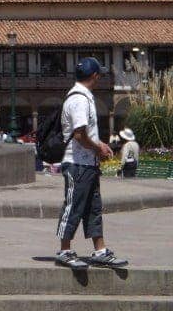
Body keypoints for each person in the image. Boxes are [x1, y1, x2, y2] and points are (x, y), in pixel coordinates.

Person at [55, 57, 128, 268]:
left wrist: (99, 146)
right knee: (73, 207)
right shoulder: (79, 99)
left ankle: (100, 250)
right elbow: (79, 135)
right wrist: (99, 148)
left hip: (87, 164)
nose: (100, 78)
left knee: (93, 208)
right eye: (99, 75)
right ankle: (65, 249)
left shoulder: (83, 96)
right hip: (77, 164)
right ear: (94, 76)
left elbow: (85, 135)